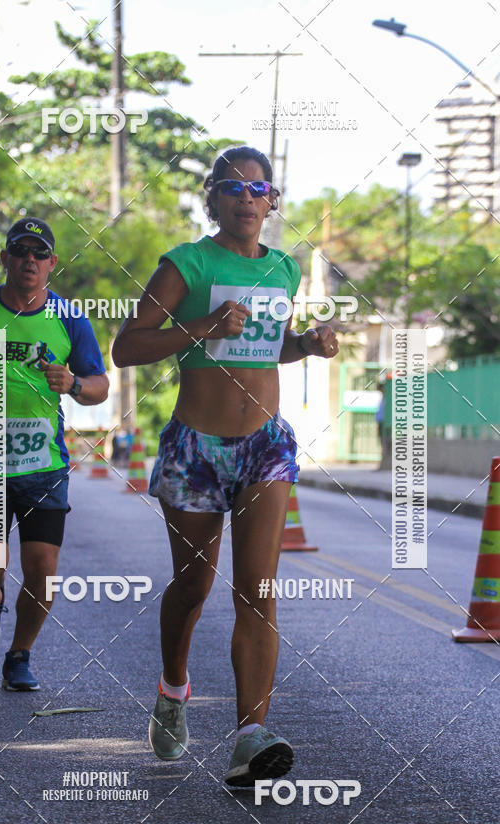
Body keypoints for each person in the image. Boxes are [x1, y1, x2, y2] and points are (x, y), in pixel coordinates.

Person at [112, 146, 339, 786]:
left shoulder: (284, 271)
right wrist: (203, 325)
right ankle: (173, 688)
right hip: (197, 449)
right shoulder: (187, 264)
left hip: (265, 445)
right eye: (233, 189)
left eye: (259, 189)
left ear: (273, 202)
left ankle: (249, 737)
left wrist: (309, 345)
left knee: (257, 590)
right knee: (193, 588)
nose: (247, 199)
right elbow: (126, 347)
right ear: (213, 198)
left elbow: (265, 351)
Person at [0, 217, 109, 690]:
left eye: (39, 253)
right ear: (6, 258)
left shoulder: (70, 319)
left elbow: (100, 387)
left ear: (51, 263)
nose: (29, 260)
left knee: (43, 571)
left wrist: (73, 383)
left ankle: (20, 654)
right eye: (20, 251)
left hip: (43, 466)